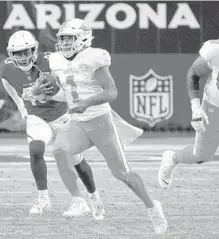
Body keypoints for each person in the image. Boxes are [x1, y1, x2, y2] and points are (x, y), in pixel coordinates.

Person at [48, 18, 167, 234]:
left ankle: (152, 207)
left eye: (69, 38)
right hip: (78, 123)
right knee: (58, 149)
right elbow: (66, 94)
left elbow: (111, 92)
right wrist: (45, 95)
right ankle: (79, 200)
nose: (65, 43)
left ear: (83, 39)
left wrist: (86, 102)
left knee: (123, 174)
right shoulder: (56, 61)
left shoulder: (94, 57)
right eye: (62, 39)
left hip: (100, 122)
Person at [0, 30, 104, 219]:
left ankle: (93, 196)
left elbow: (68, 94)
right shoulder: (5, 69)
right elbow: (11, 87)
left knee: (76, 160)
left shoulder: (52, 62)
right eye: (18, 53)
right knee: (36, 150)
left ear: (34, 50)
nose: (22, 57)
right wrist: (23, 105)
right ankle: (43, 198)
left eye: (26, 51)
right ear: (10, 54)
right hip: (38, 118)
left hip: (63, 116)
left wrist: (45, 94)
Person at [158, 13, 219, 215]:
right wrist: (196, 107)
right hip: (214, 107)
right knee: (200, 156)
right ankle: (172, 158)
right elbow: (193, 74)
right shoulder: (215, 50)